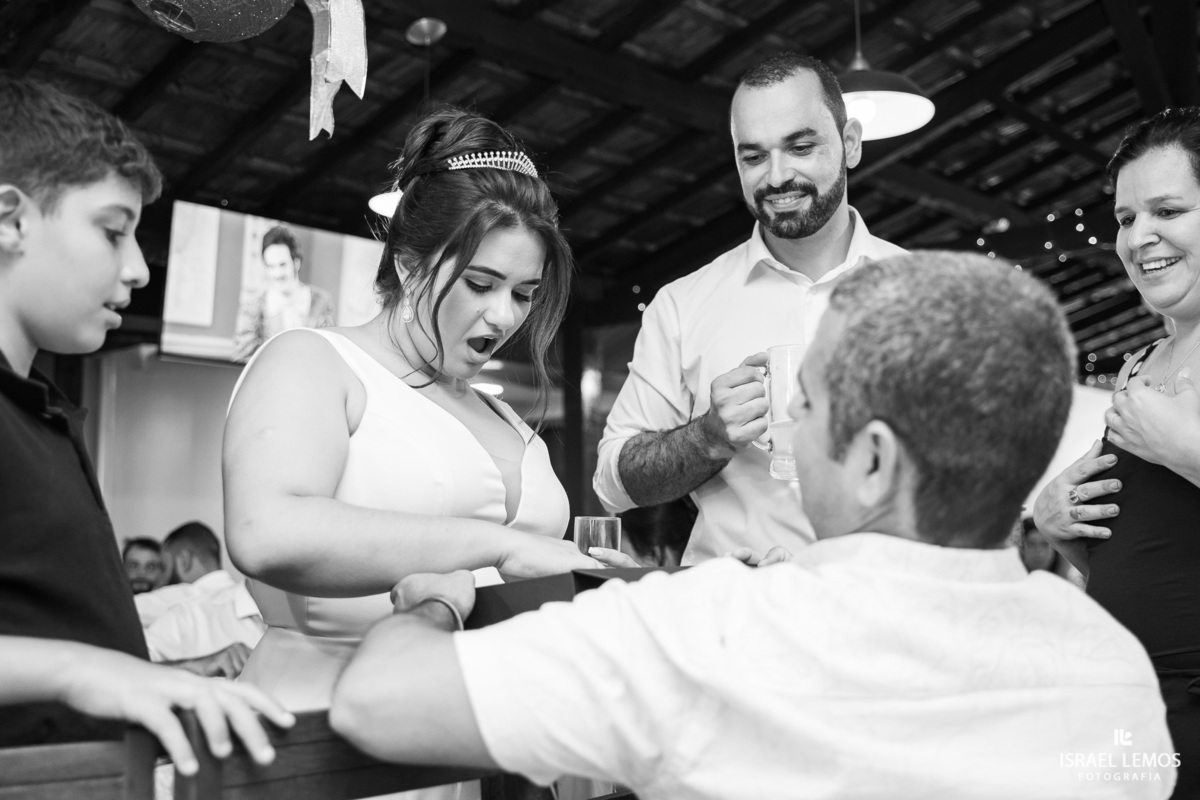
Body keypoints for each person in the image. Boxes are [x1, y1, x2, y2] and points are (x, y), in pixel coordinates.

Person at [330, 252, 1176, 800]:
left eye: (803, 404)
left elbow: (380, 703)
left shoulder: (715, 631)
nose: (788, 428)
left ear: (874, 461)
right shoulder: (1111, 670)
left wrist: (434, 605)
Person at [223, 107, 609, 722]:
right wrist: (496, 547)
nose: (506, 317)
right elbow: (266, 532)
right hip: (325, 721)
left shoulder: (501, 416)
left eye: (524, 294)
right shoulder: (314, 361)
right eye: (481, 285)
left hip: (486, 733)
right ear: (408, 265)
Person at [0, 74, 291, 773]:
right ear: (11, 220)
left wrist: (162, 677)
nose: (136, 269)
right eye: (113, 231)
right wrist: (88, 672)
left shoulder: (38, 410)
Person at [593, 51, 906, 564]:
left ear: (850, 144)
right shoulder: (683, 305)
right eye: (754, 157)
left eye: (801, 147)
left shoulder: (929, 297)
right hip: (731, 618)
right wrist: (708, 437)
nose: (777, 177)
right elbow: (613, 483)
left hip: (888, 611)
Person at [1033, 106, 1200, 797]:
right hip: (1130, 716)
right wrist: (1056, 525)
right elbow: (1140, 548)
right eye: (1127, 218)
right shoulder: (1139, 366)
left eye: (1167, 210)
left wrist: (1186, 448)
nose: (1140, 237)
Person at [135, 522, 265, 674]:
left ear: (184, 560)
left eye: (163, 568)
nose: (159, 580)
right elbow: (124, 669)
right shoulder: (187, 615)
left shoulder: (181, 602)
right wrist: (197, 666)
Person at [231, 224, 335, 362]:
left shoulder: (322, 301)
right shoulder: (250, 309)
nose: (277, 274)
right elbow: (242, 359)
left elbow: (329, 353)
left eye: (282, 265)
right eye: (270, 266)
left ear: (296, 262)